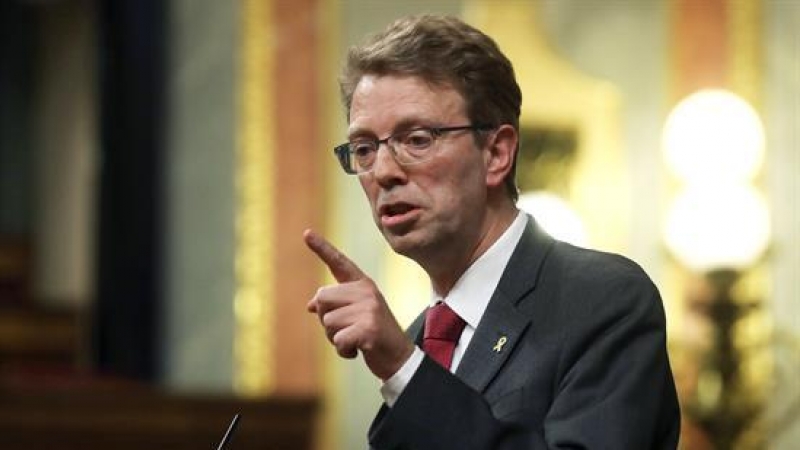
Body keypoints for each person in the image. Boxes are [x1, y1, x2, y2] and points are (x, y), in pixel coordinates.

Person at [304, 14, 680, 449]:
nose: (384, 171)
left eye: (418, 139)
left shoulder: (603, 300)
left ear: (497, 153)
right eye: (365, 148)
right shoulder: (417, 339)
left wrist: (406, 372)